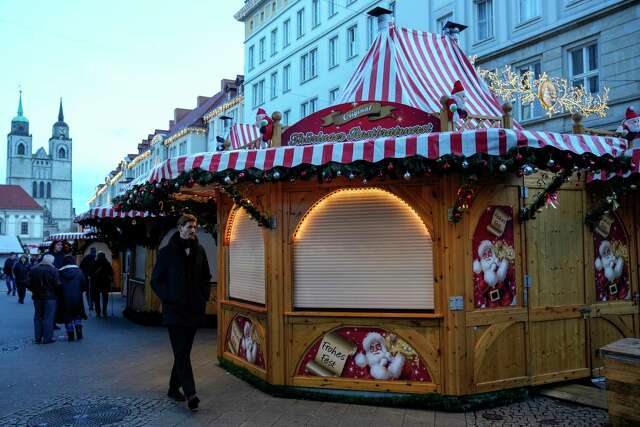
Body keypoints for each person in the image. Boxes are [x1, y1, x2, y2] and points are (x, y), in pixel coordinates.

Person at [151, 214, 211, 411]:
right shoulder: (166, 252)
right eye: (188, 226)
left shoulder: (200, 251)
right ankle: (191, 393)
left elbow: (206, 277)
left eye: (194, 226)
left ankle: (171, 388)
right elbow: (156, 280)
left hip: (194, 310)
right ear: (180, 228)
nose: (192, 229)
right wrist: (169, 297)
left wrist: (203, 297)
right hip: (174, 311)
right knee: (182, 353)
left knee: (183, 352)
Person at [28, 254, 60, 344]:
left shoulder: (34, 269)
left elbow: (28, 283)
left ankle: (37, 338)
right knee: (48, 318)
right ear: (51, 261)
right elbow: (58, 284)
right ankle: (47, 338)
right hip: (50, 298)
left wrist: (34, 290)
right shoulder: (54, 270)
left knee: (38, 317)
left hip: (37, 297)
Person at [58, 255, 87, 341]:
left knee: (68, 316)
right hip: (77, 297)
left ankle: (70, 335)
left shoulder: (60, 272)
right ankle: (79, 331)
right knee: (77, 314)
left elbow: (58, 285)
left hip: (64, 298)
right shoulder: (79, 271)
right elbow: (84, 284)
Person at [91, 252, 113, 317]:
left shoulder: (95, 263)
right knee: (105, 297)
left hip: (96, 283)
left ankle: (98, 312)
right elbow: (111, 273)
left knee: (96, 298)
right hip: (105, 283)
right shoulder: (107, 263)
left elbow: (90, 273)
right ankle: (104, 311)